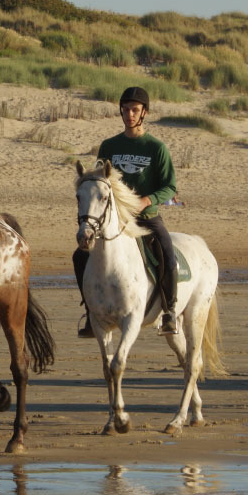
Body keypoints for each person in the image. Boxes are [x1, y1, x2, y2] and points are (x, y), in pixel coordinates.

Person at [74, 86, 179, 337]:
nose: (129, 114)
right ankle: (91, 313)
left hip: (146, 217)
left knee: (167, 252)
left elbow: (170, 186)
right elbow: (100, 181)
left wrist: (148, 200)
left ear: (144, 113)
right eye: (126, 109)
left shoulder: (156, 148)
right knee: (79, 257)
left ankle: (169, 311)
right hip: (113, 219)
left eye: (135, 110)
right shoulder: (109, 145)